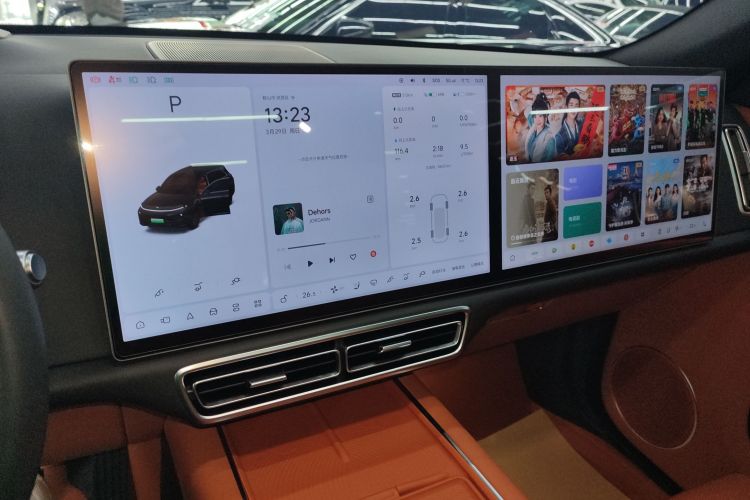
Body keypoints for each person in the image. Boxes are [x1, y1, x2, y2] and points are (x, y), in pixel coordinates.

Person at [525, 92, 556, 163]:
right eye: (535, 116)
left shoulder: (549, 139)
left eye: (540, 116)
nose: (537, 120)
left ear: (545, 116)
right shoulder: (532, 132)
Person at [555, 91, 584, 157]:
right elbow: (561, 159)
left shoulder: (581, 124)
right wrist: (575, 155)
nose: (574, 109)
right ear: (566, 107)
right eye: (571, 105)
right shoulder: (559, 136)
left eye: (576, 105)